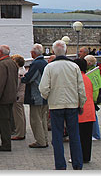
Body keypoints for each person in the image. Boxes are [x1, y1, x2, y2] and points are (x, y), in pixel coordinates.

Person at [39, 40, 86, 170]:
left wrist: (48, 97)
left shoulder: (49, 67)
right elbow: (81, 88)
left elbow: (43, 88)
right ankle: (77, 163)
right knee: (74, 135)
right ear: (66, 51)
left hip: (55, 105)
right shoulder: (74, 66)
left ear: (53, 52)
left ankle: (60, 165)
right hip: (71, 104)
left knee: (57, 136)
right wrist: (81, 103)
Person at [22, 43, 49, 148]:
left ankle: (40, 141)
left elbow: (29, 78)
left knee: (35, 119)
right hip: (44, 95)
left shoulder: (36, 64)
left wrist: (23, 77)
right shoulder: (45, 63)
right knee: (43, 119)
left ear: (33, 53)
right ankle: (45, 139)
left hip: (36, 95)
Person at [74, 58, 96, 164]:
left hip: (80, 111)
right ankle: (86, 157)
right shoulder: (87, 78)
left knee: (78, 137)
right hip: (90, 110)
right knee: (87, 137)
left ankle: (79, 157)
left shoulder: (76, 79)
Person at [11, 54, 26, 141]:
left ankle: (20, 133)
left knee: (18, 115)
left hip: (17, 96)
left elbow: (16, 85)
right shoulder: (23, 70)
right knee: (21, 114)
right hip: (21, 95)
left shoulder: (18, 72)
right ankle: (22, 131)